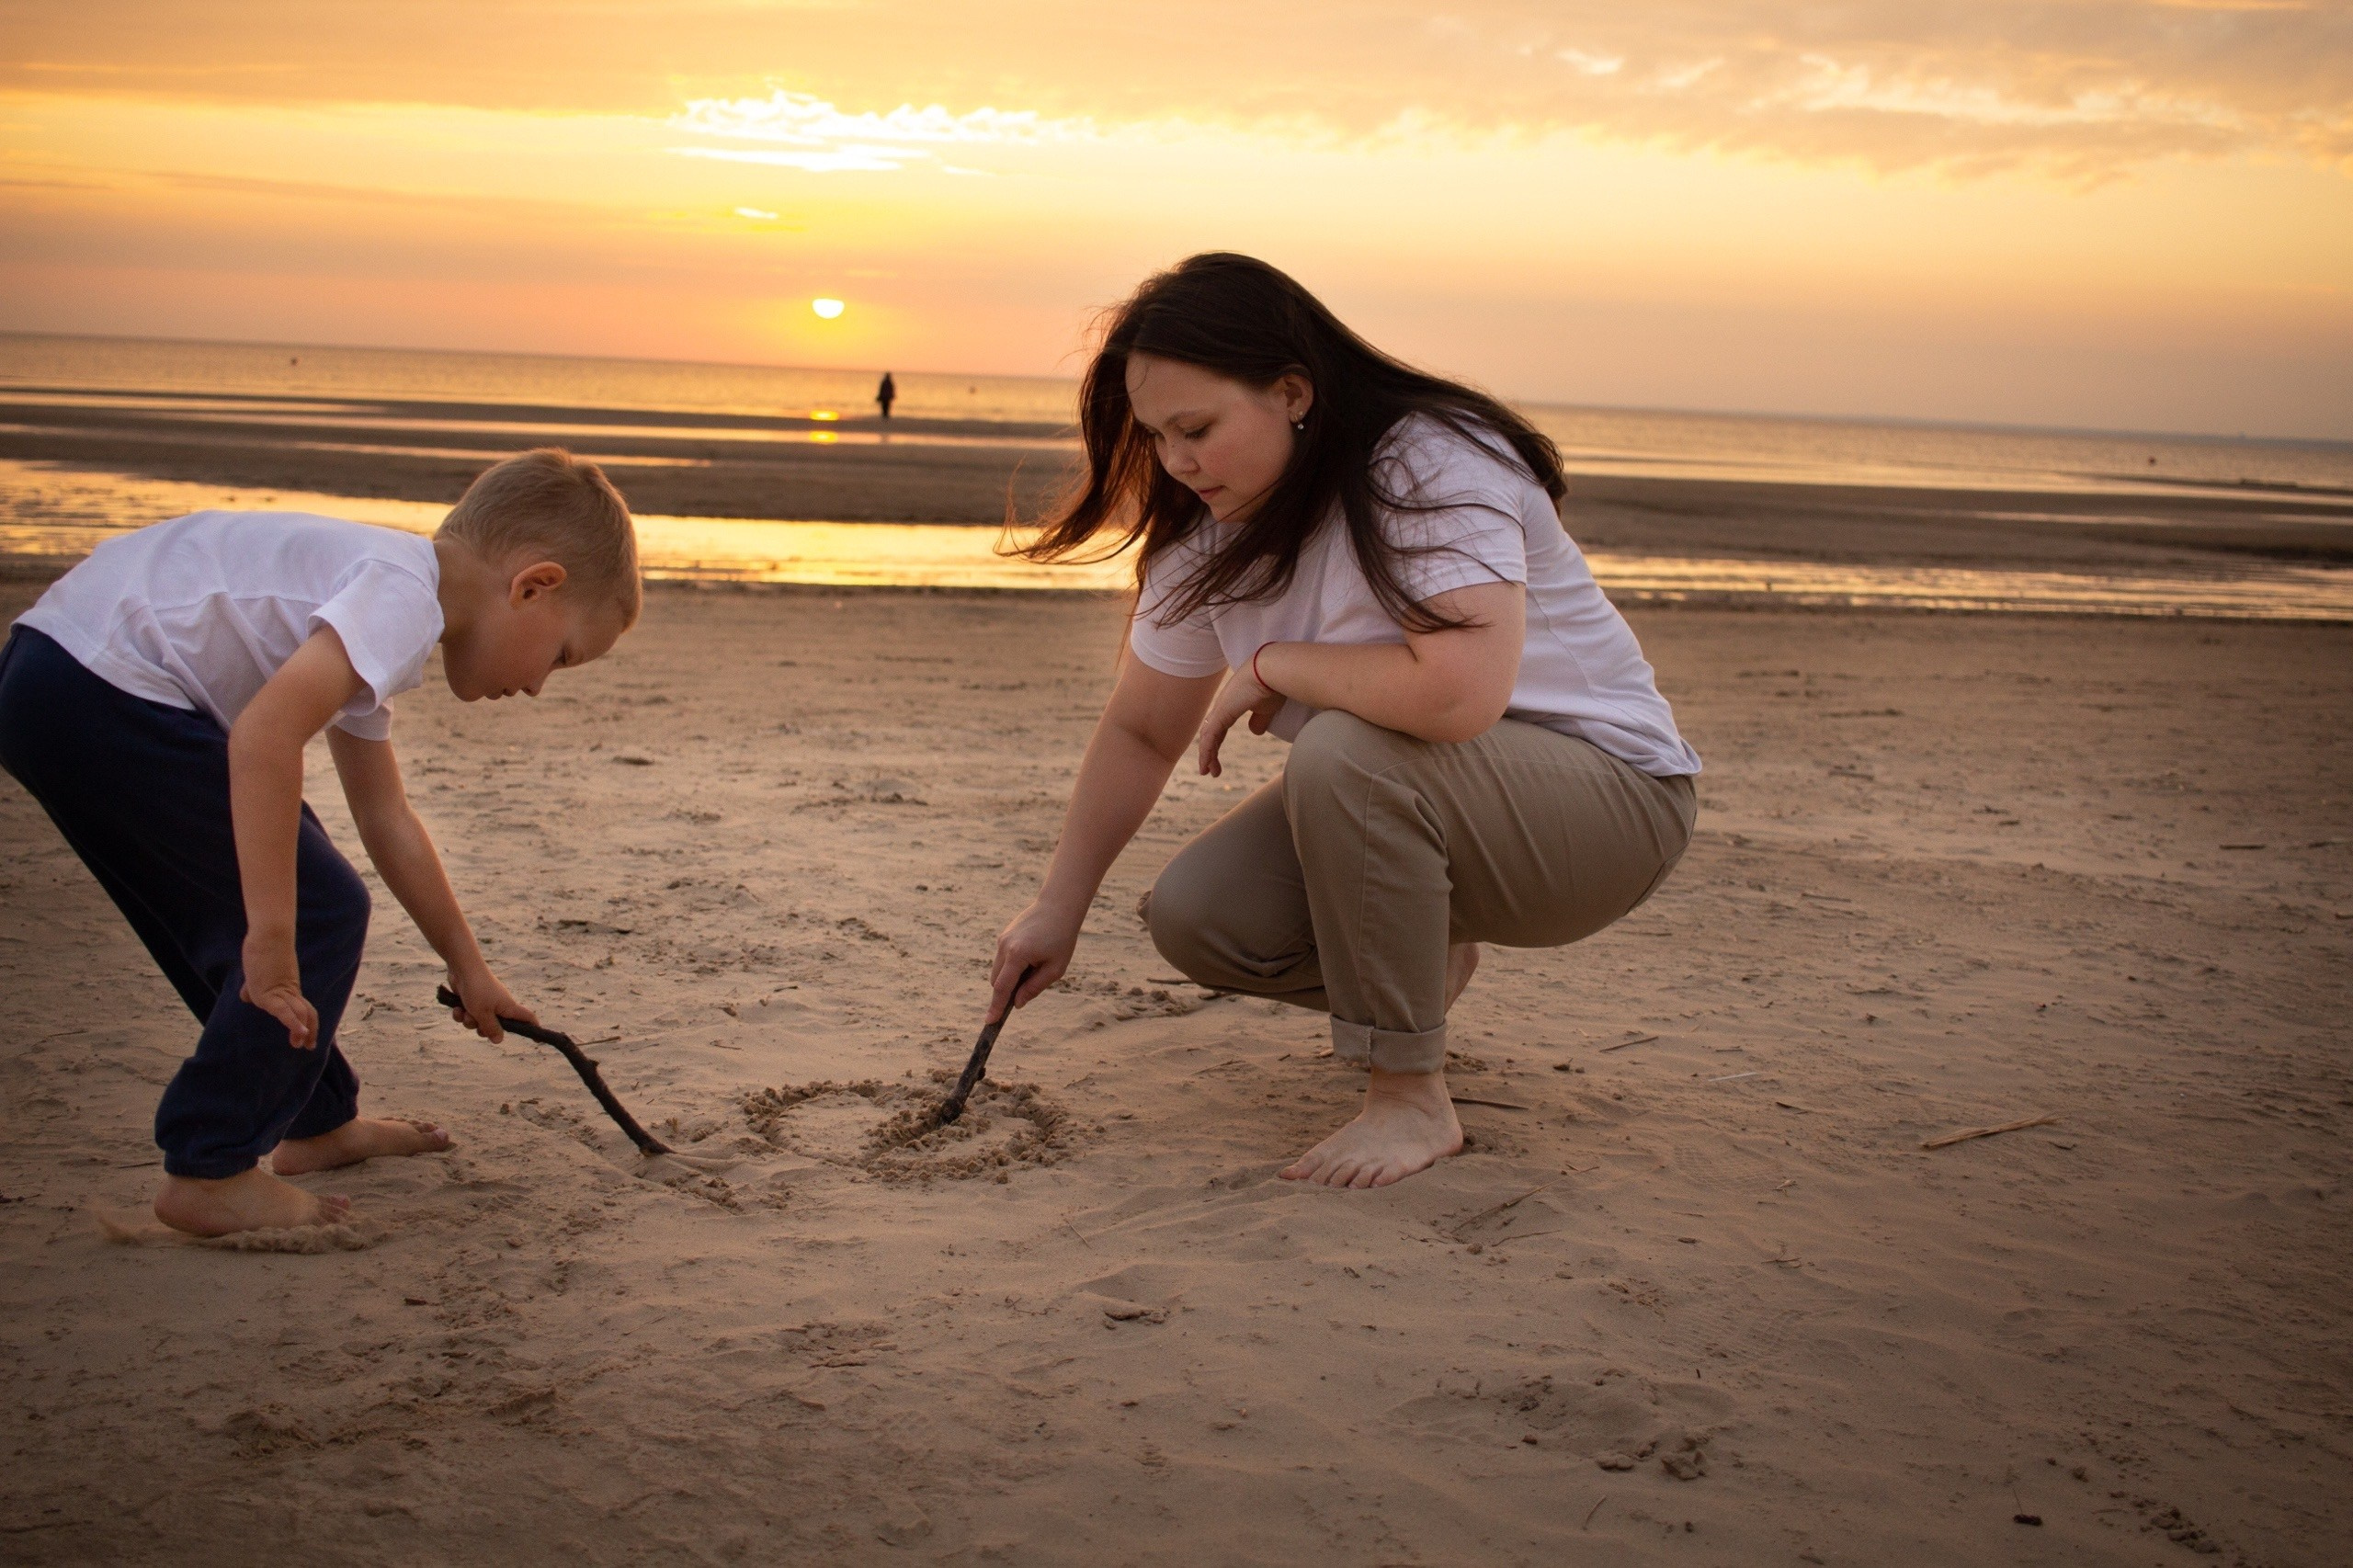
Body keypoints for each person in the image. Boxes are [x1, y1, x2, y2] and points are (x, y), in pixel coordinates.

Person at [987, 254, 1700, 1189]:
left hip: (1609, 806)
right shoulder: (1203, 536)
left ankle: (1409, 1095)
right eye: (1157, 436)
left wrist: (1274, 665)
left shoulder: (1427, 459)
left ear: (1291, 392)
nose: (1177, 461)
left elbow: (1457, 696)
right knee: (1202, 915)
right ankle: (1423, 966)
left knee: (1344, 750)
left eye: (1196, 429)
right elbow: (1142, 732)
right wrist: (1057, 908)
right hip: (1434, 802)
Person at [0, 449, 641, 1236]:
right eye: (562, 655)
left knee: (282, 893)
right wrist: (274, 937)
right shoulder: (399, 596)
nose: (540, 685)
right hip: (99, 683)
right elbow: (265, 738)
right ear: (533, 586)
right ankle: (210, 1168)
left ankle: (317, 1120)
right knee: (315, 911)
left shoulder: (380, 592)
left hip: (52, 678)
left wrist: (468, 967)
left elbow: (386, 817)